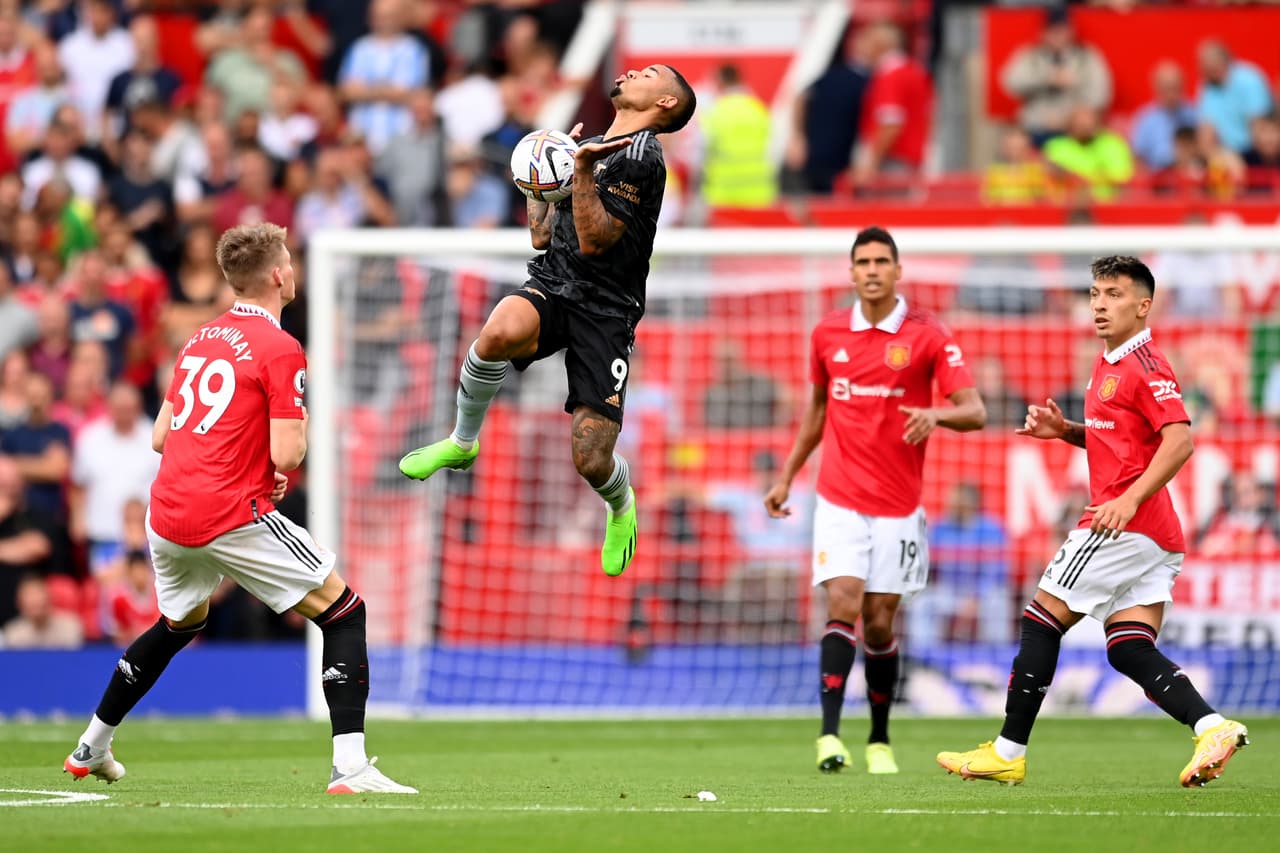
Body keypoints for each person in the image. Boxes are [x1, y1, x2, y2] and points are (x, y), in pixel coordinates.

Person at [63, 223, 415, 795]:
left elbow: (161, 436)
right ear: (278, 275)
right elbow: (288, 453)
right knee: (344, 610)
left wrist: (253, 460)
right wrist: (285, 449)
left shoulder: (200, 338)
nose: (294, 270)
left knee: (181, 623)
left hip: (167, 512)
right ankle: (351, 767)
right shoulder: (281, 346)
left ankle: (91, 746)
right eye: (290, 263)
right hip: (224, 511)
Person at [938, 256, 1249, 788]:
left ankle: (1009, 750)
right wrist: (1065, 431)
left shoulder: (1146, 365)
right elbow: (1121, 439)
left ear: (1143, 305)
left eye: (1114, 294)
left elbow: (1180, 440)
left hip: (1123, 523)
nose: (1100, 304)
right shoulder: (1108, 363)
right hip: (1153, 532)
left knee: (1041, 617)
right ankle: (1212, 727)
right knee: (1128, 646)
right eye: (1095, 293)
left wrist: (1127, 501)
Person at [397, 64, 697, 577]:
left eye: (647, 74)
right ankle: (461, 443)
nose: (630, 72)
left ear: (664, 103)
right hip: (554, 284)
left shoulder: (642, 157)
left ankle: (621, 505)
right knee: (497, 331)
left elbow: (595, 240)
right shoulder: (589, 145)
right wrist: (540, 179)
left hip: (607, 312)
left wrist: (578, 172)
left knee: (590, 457)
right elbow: (542, 238)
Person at [764, 226, 987, 775]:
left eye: (881, 261)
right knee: (842, 600)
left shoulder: (929, 335)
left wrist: (936, 414)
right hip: (839, 497)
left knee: (880, 622)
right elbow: (817, 410)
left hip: (899, 506)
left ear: (897, 270)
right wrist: (788, 474)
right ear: (850, 271)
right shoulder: (827, 334)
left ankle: (880, 738)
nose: (871, 270)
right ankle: (828, 736)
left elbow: (976, 410)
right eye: (862, 261)